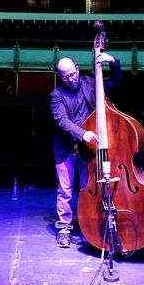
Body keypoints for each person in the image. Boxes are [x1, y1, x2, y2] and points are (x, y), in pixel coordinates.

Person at [49, 53, 121, 248]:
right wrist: (83, 133)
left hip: (86, 150)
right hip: (65, 149)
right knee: (65, 191)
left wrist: (114, 63)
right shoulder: (56, 96)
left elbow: (116, 82)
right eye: (66, 77)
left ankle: (88, 228)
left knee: (86, 189)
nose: (71, 79)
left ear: (77, 70)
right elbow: (61, 121)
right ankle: (64, 230)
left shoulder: (90, 83)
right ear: (60, 76)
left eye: (72, 74)